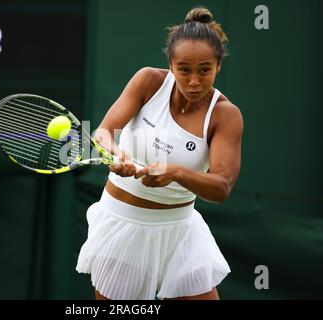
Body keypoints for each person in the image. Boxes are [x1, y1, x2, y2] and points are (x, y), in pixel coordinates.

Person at [76, 7, 243, 300]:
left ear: (218, 66)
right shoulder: (149, 82)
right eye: (184, 69)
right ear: (171, 63)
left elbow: (221, 187)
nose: (194, 81)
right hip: (121, 227)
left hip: (180, 234)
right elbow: (104, 132)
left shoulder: (225, 116)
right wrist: (116, 155)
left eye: (204, 70)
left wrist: (176, 173)